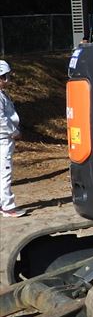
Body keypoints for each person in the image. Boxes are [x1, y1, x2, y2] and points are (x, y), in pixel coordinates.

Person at [0, 60, 25, 218]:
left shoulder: (3, 95)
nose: (8, 80)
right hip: (3, 138)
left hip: (4, 136)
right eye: (5, 77)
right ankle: (8, 206)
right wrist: (13, 131)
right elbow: (1, 119)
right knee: (5, 171)